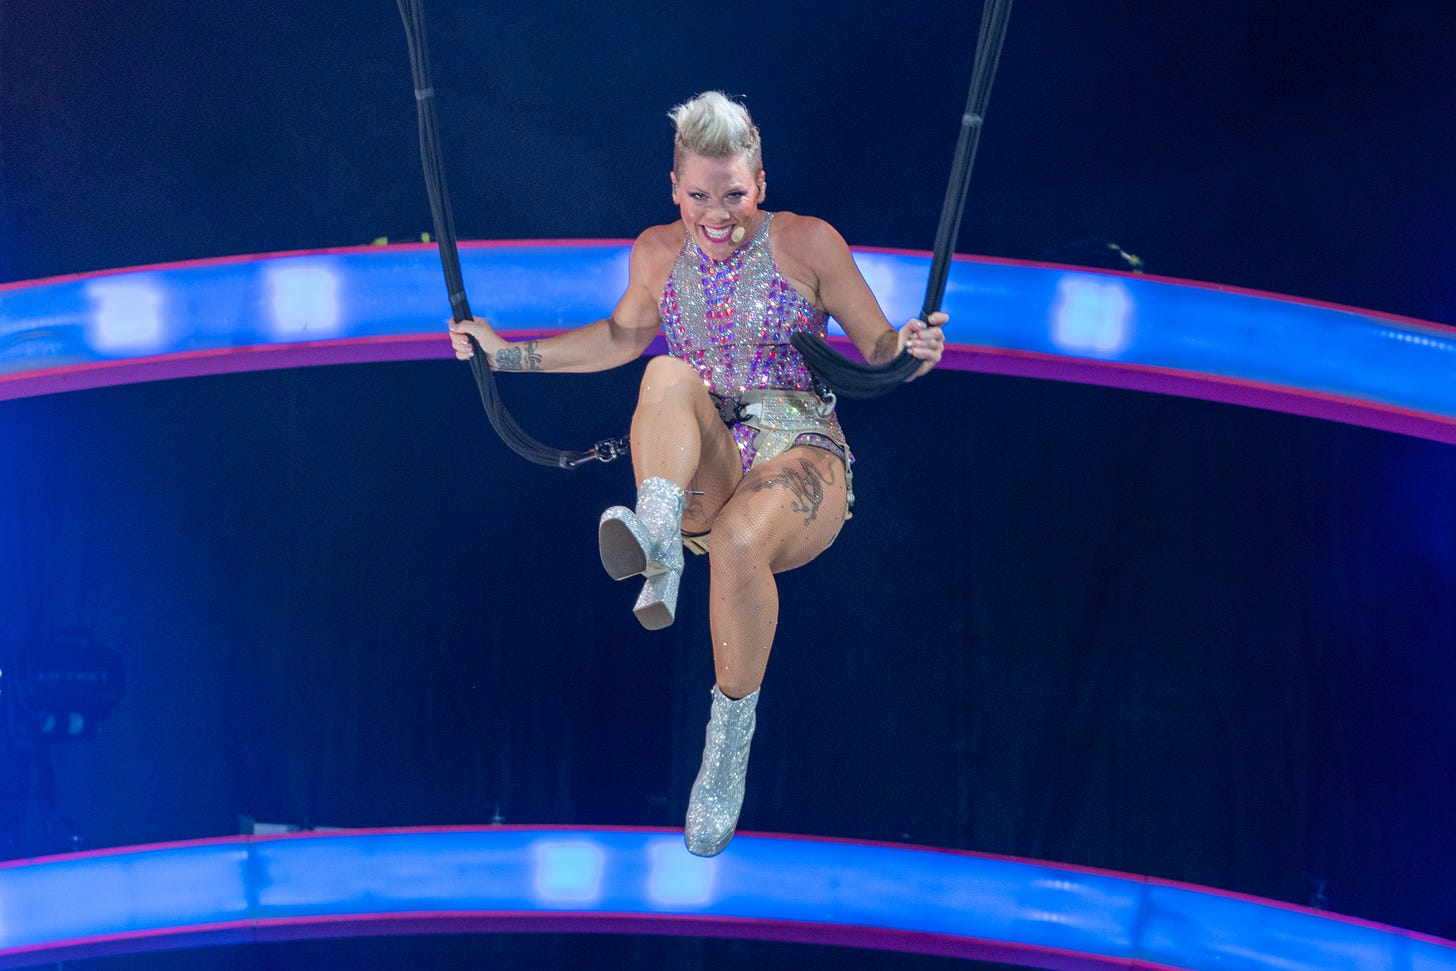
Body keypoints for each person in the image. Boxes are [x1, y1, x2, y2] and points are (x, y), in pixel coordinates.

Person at [449, 90, 946, 856]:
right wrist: (505, 352)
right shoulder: (656, 251)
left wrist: (909, 348)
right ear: (675, 188)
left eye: (736, 195)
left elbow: (878, 346)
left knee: (745, 537)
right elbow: (621, 335)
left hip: (801, 451)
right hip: (706, 456)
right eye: (700, 197)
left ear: (762, 184)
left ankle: (726, 745)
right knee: (665, 373)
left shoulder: (810, 244)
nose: (718, 216)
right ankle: (657, 537)